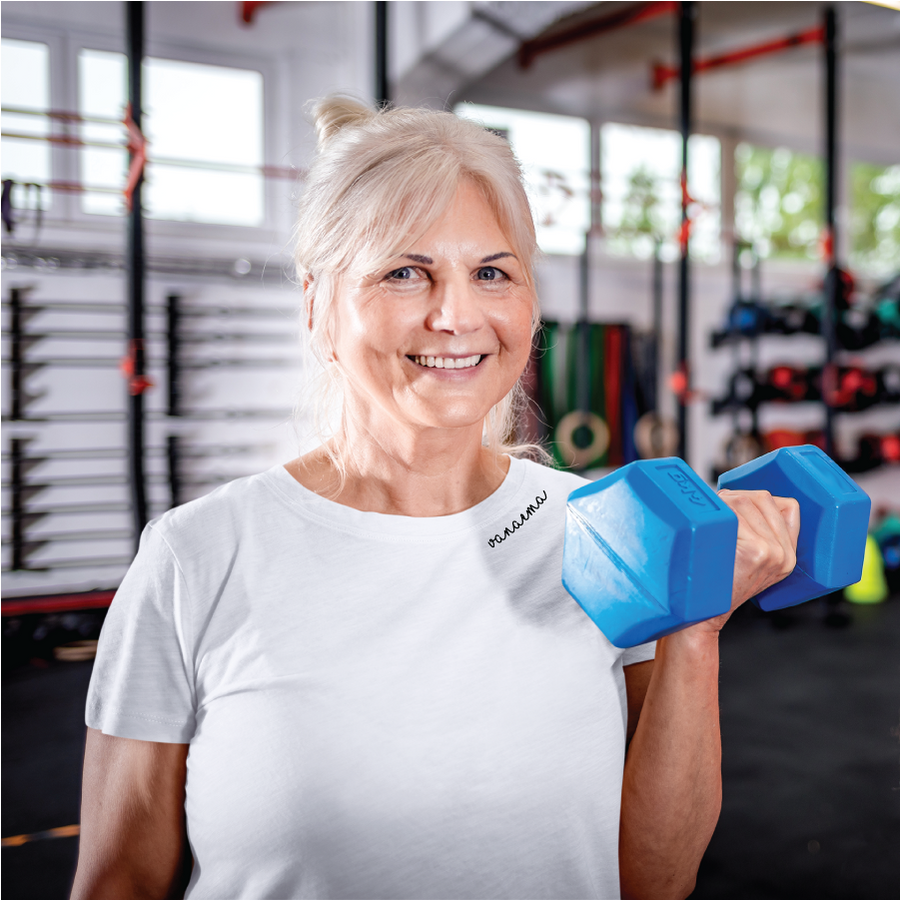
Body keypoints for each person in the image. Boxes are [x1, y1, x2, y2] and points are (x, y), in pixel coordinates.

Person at [70, 97, 800, 900]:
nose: (457, 316)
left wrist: (697, 630)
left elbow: (655, 880)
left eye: (492, 272)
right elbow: (119, 883)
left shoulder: (602, 527)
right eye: (405, 272)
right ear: (317, 306)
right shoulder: (195, 557)